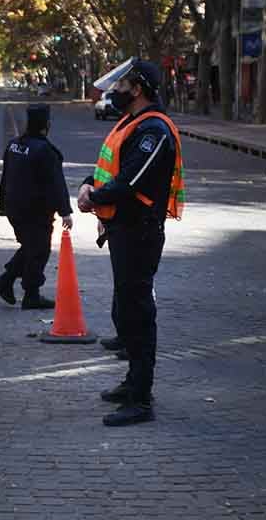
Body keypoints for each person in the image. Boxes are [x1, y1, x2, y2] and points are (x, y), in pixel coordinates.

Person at [76, 58, 185, 427]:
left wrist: (94, 197)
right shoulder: (131, 123)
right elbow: (110, 167)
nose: (114, 91)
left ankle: (141, 398)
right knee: (126, 311)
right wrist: (87, 183)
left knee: (139, 315)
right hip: (122, 229)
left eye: (121, 85)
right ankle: (132, 382)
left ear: (137, 90)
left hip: (139, 231)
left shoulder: (154, 130)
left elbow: (130, 180)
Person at [0, 104, 73, 310]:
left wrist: (1, 204)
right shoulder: (46, 151)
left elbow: (5, 178)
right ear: (46, 125)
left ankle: (6, 280)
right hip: (35, 212)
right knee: (39, 250)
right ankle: (30, 294)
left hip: (14, 209)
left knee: (31, 247)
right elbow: (56, 184)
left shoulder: (13, 146)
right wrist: (65, 212)